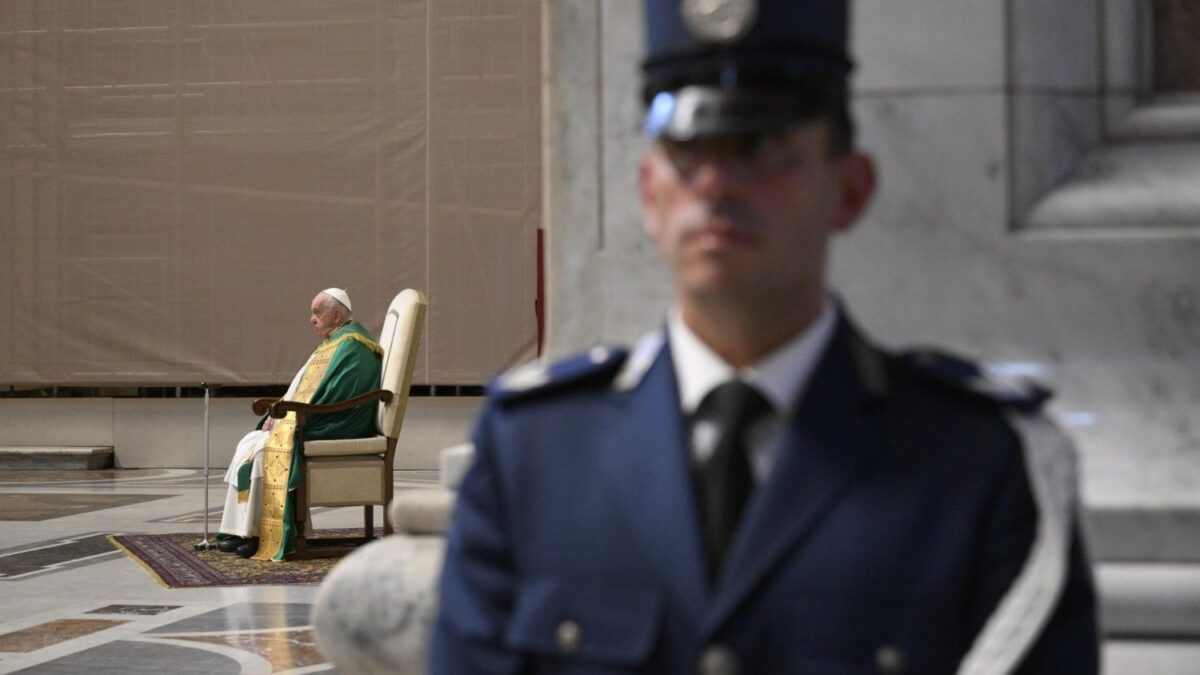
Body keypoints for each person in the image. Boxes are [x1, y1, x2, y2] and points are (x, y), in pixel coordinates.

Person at [432, 0, 1099, 673]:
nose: (719, 184)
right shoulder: (535, 454)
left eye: (764, 148)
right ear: (647, 193)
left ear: (850, 188)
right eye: (688, 152)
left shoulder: (973, 465)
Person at [217, 288, 382, 560]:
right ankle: (240, 530)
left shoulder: (352, 346)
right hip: (313, 415)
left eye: (317, 313)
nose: (311, 319)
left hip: (338, 422)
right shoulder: (334, 342)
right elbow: (303, 387)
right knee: (250, 442)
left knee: (264, 451)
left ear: (336, 314)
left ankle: (263, 534)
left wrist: (289, 418)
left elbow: (335, 396)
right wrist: (280, 410)